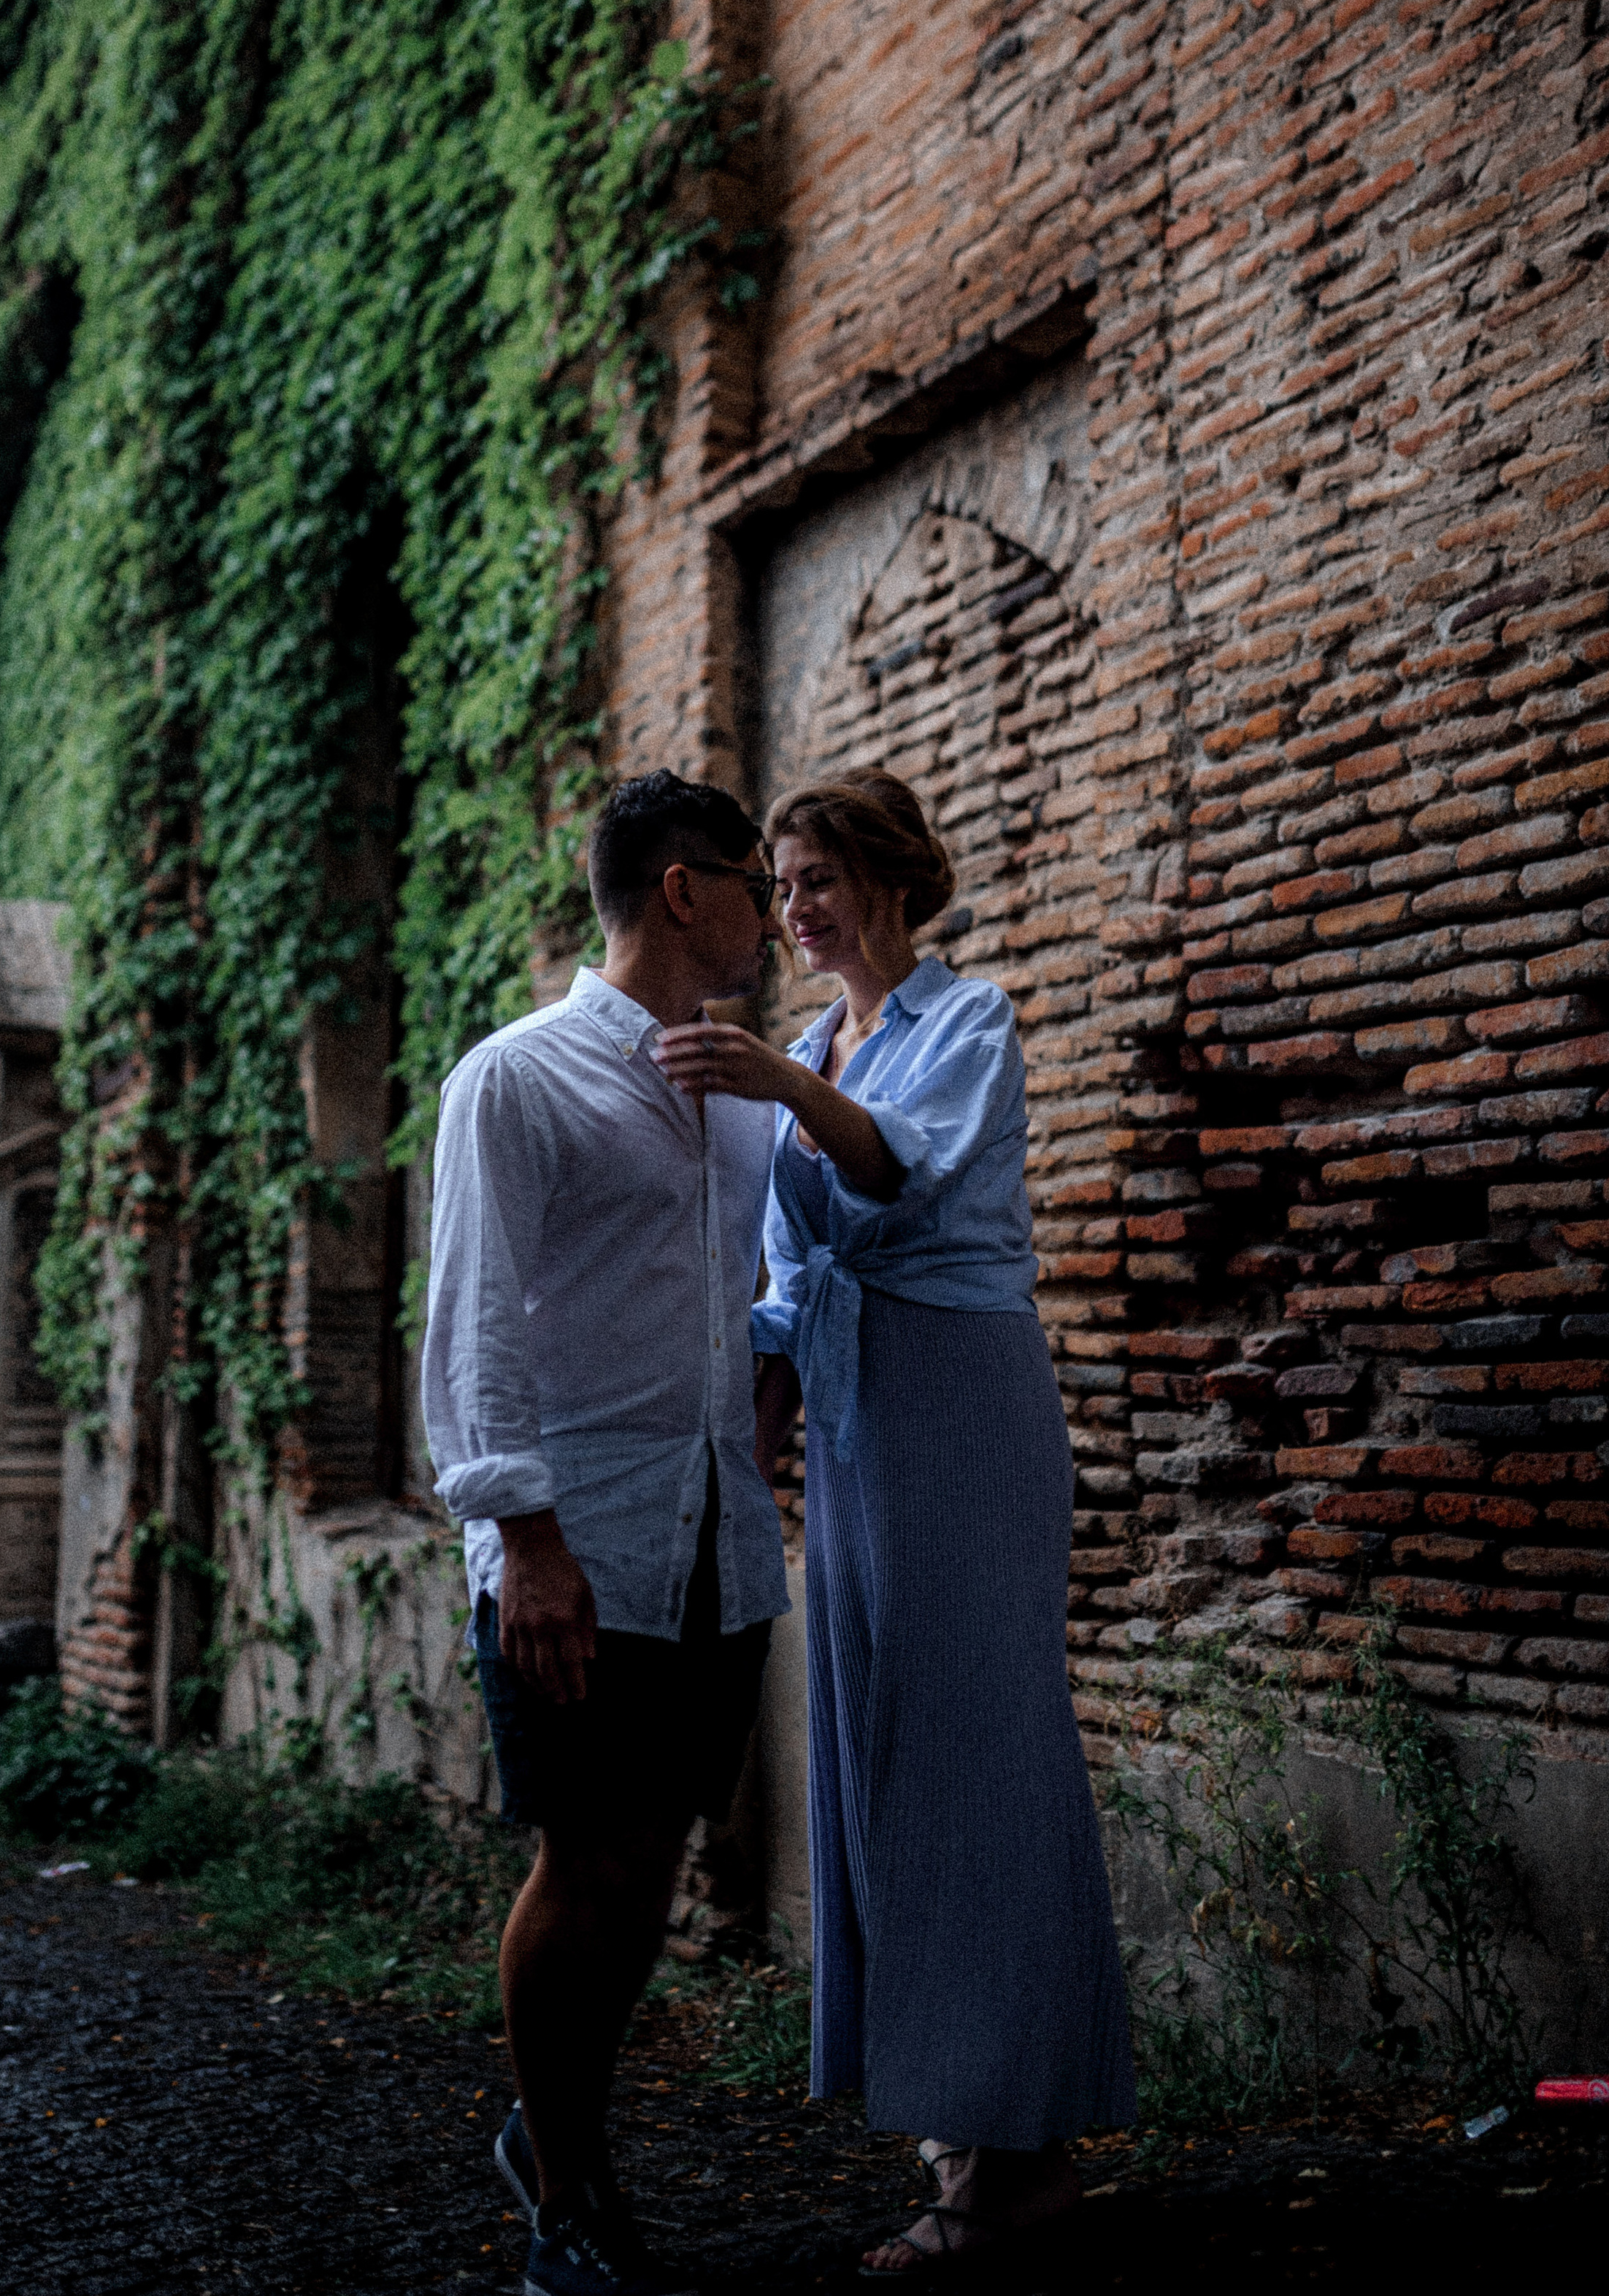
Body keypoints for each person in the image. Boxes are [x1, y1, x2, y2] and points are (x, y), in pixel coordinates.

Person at [650, 767, 1135, 2278]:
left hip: (959, 1401)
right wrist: (771, 1384)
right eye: (778, 884)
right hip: (858, 1412)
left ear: (887, 876)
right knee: (876, 1742)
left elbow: (893, 1178)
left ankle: (1022, 2156)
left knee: (978, 1744)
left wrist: (787, 1091)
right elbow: (799, 1264)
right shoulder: (815, 1041)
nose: (792, 909)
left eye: (813, 879)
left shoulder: (962, 1020)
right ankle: (954, 2126)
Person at [422, 769, 791, 2296]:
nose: (775, 916)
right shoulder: (515, 1078)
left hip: (720, 1530)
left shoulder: (741, 1091)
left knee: (650, 1861)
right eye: (755, 883)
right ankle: (564, 2193)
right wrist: (528, 1540)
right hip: (573, 1538)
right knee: (584, 1860)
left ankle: (554, 2136)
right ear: (680, 890)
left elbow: (743, 1292)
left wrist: (769, 1379)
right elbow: (474, 1325)